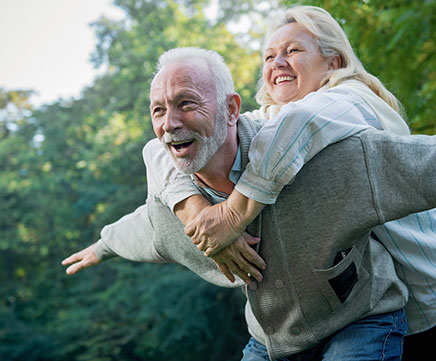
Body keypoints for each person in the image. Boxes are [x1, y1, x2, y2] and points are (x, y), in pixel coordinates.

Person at [63, 46, 436, 360]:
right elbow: (141, 229)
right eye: (158, 110)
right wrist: (103, 244)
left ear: (230, 110)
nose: (170, 123)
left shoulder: (322, 161)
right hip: (273, 340)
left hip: (362, 318)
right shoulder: (173, 211)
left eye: (186, 103)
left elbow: (419, 164)